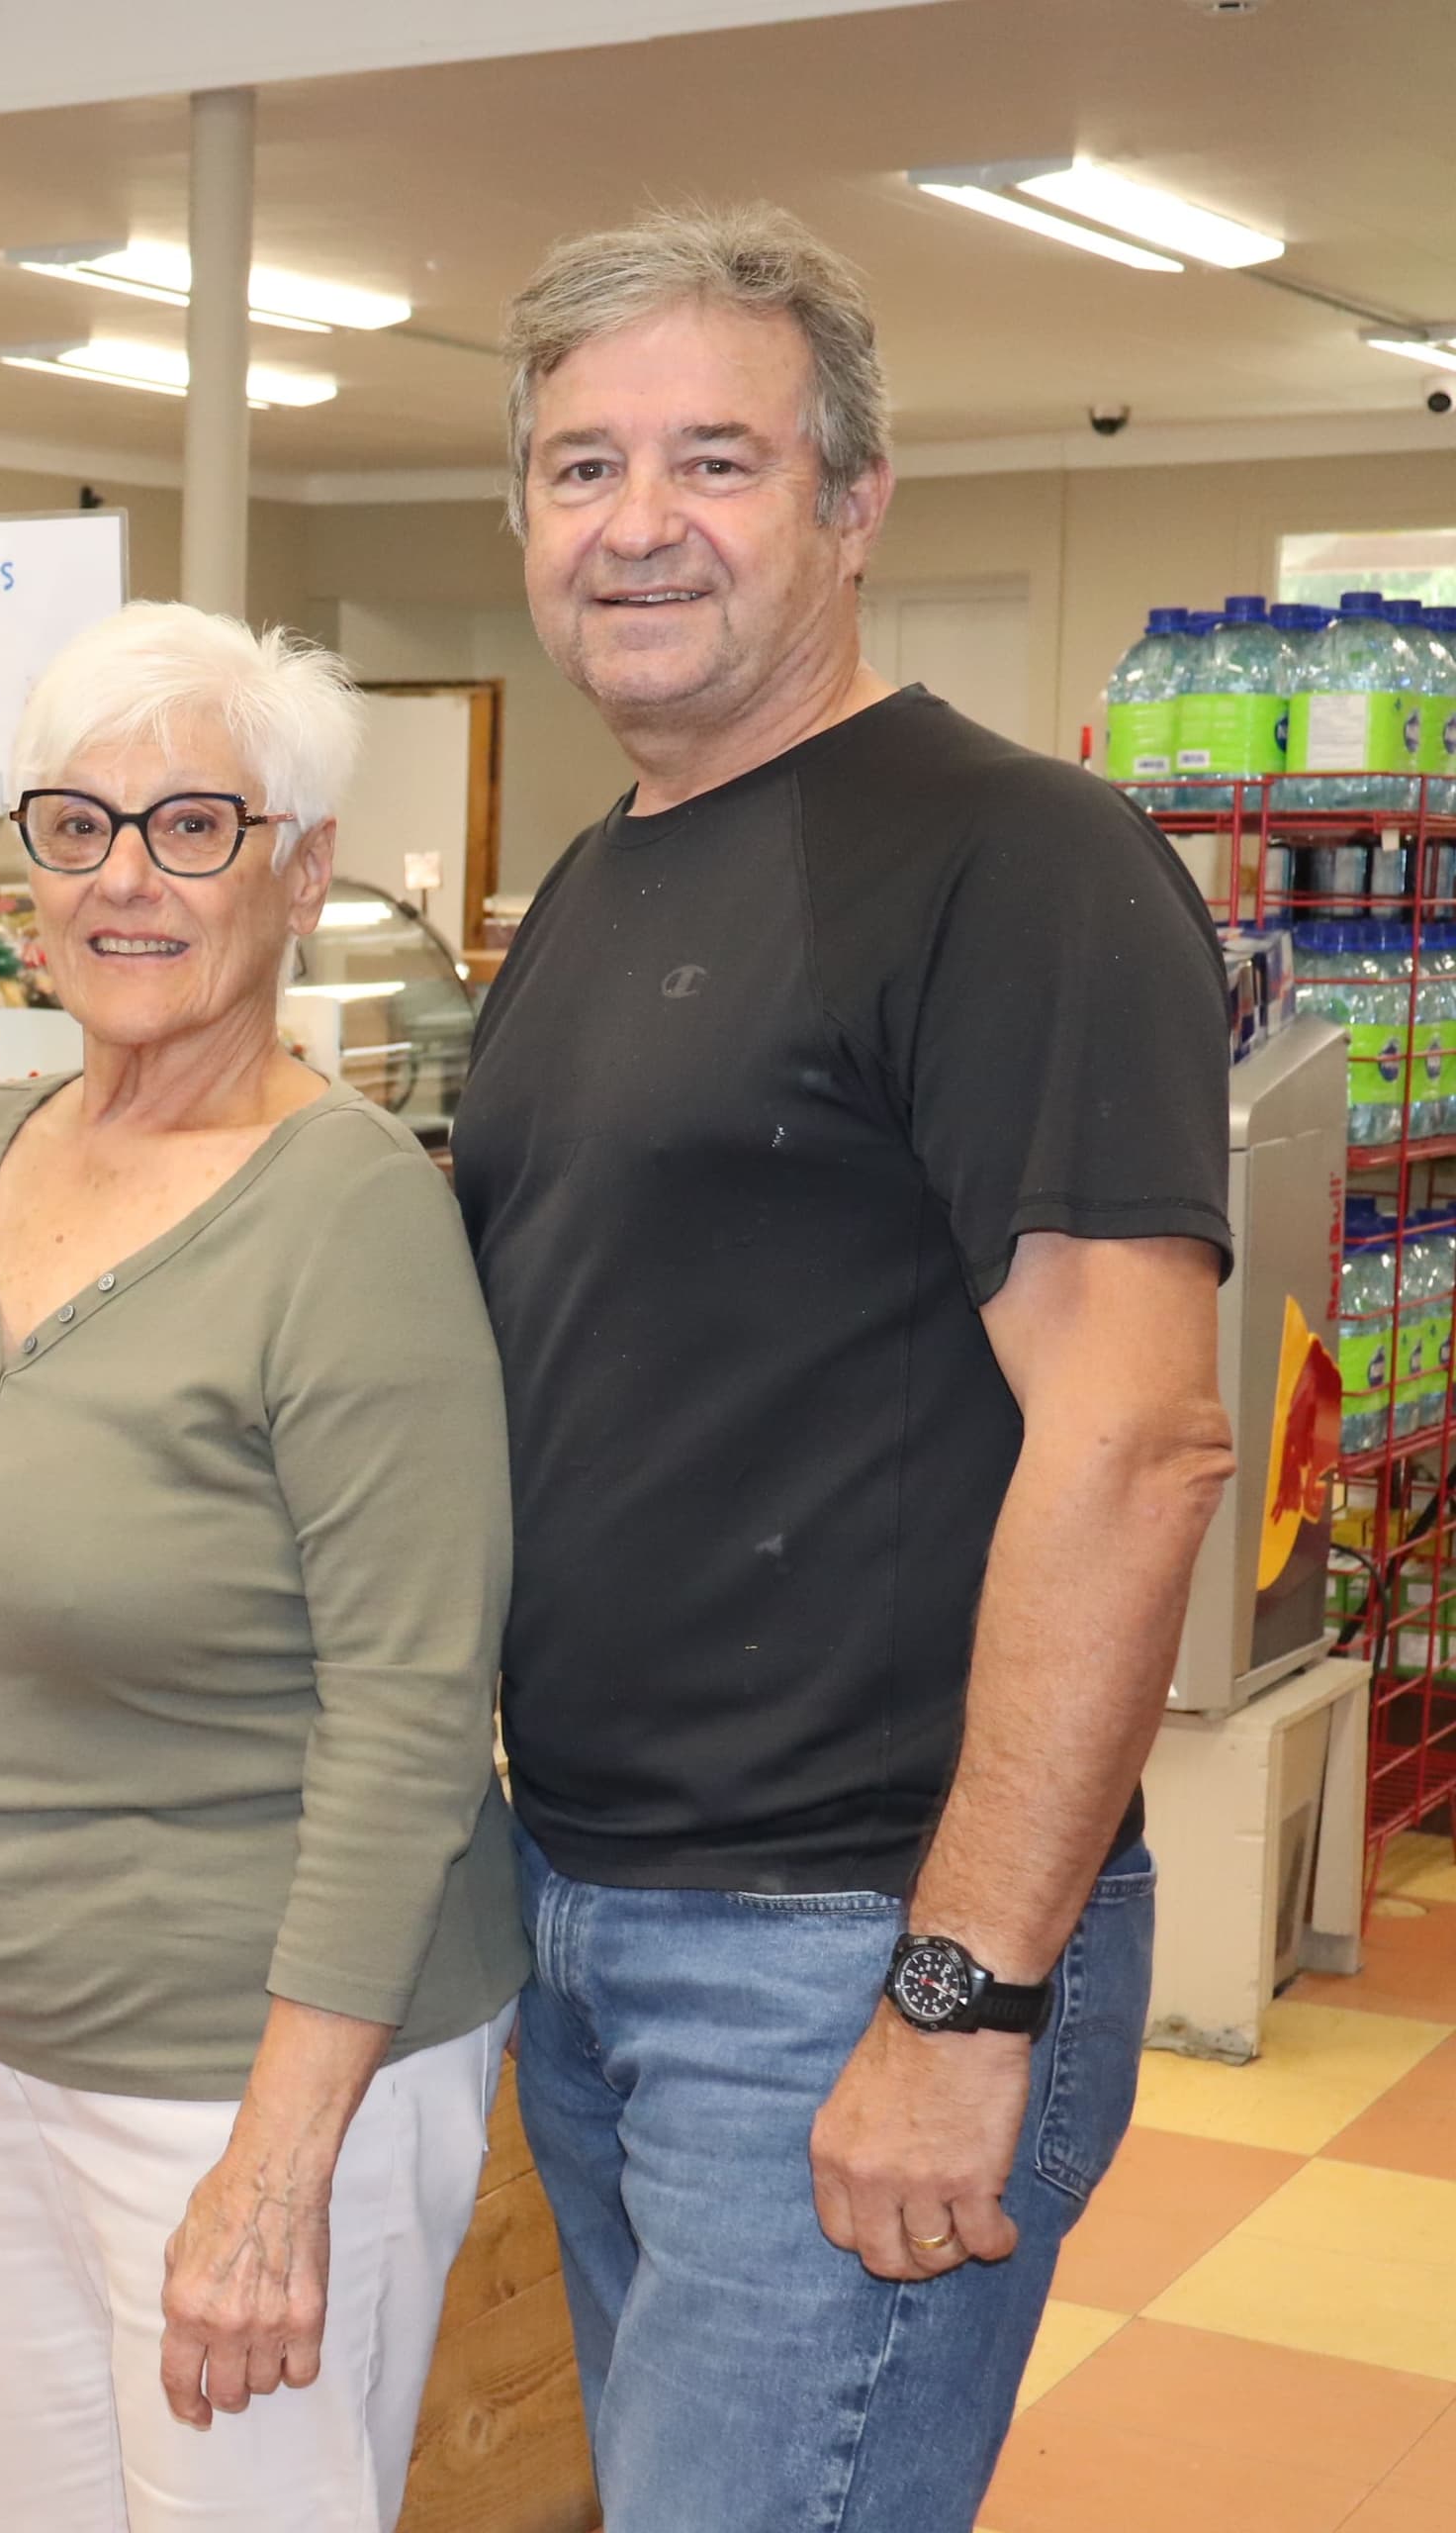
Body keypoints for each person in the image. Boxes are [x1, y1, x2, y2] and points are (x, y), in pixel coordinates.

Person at [455, 205, 1235, 2529]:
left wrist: (963, 1993)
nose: (639, 522)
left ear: (854, 502)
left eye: (716, 458)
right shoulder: (601, 876)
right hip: (593, 1902)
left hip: (843, 1943)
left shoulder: (1019, 862)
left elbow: (1138, 1437)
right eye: (583, 466)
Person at [0, 603, 528, 2533]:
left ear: (298, 868)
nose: (125, 879)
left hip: (247, 2069)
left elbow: (410, 1718)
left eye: (193, 826)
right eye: (77, 824)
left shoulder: (354, 1216)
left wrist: (281, 2164)